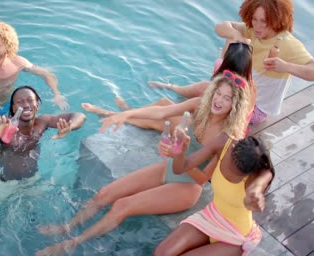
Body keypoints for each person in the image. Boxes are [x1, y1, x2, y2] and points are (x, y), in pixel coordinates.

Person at [36, 73, 251, 256]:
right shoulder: (200, 105)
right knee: (104, 194)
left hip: (188, 185)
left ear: (235, 106)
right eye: (218, 93)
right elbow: (162, 112)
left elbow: (202, 178)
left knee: (123, 206)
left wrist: (178, 155)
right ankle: (67, 227)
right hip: (171, 166)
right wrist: (126, 114)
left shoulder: (228, 137)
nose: (219, 100)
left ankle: (72, 243)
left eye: (228, 98)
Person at [150, 0, 314, 125]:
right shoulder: (254, 30)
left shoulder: (288, 44)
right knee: (205, 86)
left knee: (204, 101)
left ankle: (171, 116)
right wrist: (236, 35)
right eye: (254, 19)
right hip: (239, 91)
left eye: (264, 22)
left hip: (255, 109)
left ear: (277, 21)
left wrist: (286, 67)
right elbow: (221, 26)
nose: (257, 26)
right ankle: (173, 88)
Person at [82, 41, 256, 132]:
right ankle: (127, 112)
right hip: (210, 121)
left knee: (161, 120)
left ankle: (112, 114)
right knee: (165, 104)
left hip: (208, 131)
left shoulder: (230, 94)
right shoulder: (248, 87)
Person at [154, 133, 274, 255]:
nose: (232, 173)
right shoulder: (223, 142)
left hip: (235, 234)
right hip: (211, 216)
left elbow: (259, 184)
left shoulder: (261, 174)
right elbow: (179, 168)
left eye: (239, 174)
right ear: (232, 147)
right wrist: (179, 154)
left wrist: (255, 193)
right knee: (161, 253)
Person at [0, 85, 85, 181]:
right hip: (3, 183)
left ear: (37, 105)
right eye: (19, 101)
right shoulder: (3, 127)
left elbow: (80, 116)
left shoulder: (42, 122)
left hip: (33, 180)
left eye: (30, 100)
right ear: (13, 108)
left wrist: (70, 126)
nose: (26, 104)